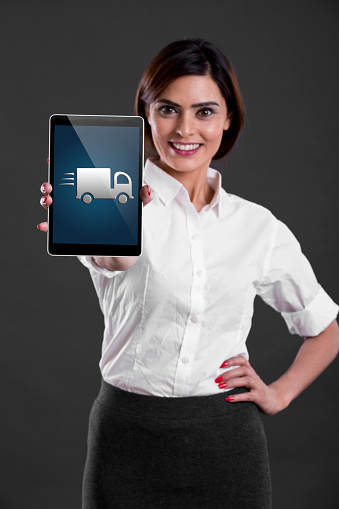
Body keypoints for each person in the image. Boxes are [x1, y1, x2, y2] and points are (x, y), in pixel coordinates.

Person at [37, 38, 339, 509]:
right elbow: (116, 262)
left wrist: (279, 393)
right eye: (167, 109)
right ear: (147, 114)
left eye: (204, 111)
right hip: (126, 440)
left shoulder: (258, 227)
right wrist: (92, 225)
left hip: (228, 445)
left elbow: (324, 329)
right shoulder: (116, 198)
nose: (184, 129)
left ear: (228, 118)